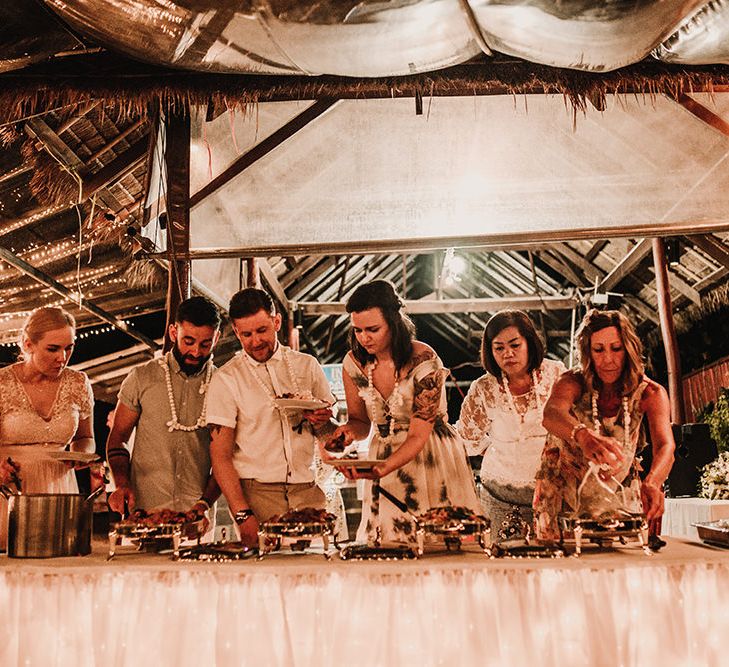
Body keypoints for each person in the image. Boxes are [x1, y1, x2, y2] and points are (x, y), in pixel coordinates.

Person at [327, 280, 480, 545]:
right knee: (389, 543)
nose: (364, 338)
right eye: (358, 330)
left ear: (394, 322)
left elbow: (419, 435)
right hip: (382, 456)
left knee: (437, 540)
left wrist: (382, 468)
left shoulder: (423, 359)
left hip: (430, 454)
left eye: (373, 329)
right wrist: (346, 434)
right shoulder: (353, 363)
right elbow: (360, 421)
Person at [206, 288, 336, 547]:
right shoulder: (227, 378)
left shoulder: (307, 366)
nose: (255, 341)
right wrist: (242, 514)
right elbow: (220, 456)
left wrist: (323, 422)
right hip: (257, 494)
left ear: (276, 322)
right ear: (236, 331)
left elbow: (329, 436)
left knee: (315, 577)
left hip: (307, 489)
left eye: (262, 330)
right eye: (246, 334)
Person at [533, 309, 675, 540]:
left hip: (618, 494)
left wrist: (653, 482)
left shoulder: (650, 392)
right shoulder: (572, 381)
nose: (608, 359)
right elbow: (551, 413)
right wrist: (583, 436)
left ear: (629, 349)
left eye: (616, 348)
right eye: (598, 350)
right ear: (587, 352)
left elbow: (665, 446)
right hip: (564, 496)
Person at [107, 296, 222, 523]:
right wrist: (121, 484)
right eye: (188, 341)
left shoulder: (224, 385)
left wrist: (204, 504)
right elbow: (118, 438)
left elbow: (226, 457)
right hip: (144, 512)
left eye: (205, 344)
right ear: (173, 332)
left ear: (216, 338)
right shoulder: (141, 377)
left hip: (197, 516)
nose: (196, 352)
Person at [457, 310, 566, 539]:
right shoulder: (483, 388)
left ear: (529, 342)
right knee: (502, 568)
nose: (508, 353)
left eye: (515, 345)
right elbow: (467, 438)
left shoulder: (556, 374)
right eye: (499, 348)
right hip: (500, 499)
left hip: (553, 496)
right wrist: (497, 449)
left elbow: (572, 425)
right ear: (490, 351)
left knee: (552, 568)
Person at [0, 306, 95, 547]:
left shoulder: (78, 383)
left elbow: (86, 437)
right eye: (53, 349)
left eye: (69, 348)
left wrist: (82, 455)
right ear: (27, 344)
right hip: (10, 493)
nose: (62, 358)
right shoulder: (2, 383)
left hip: (60, 493)